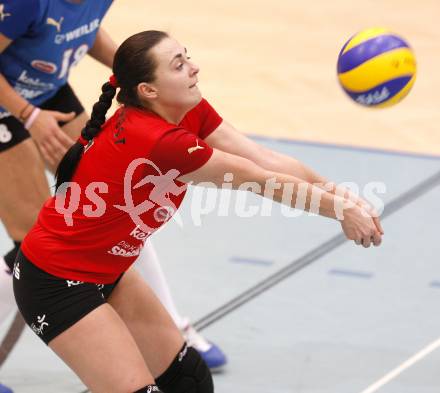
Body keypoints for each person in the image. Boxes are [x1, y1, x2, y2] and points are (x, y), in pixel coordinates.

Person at [12, 30, 383, 392]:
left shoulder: (186, 111)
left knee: (187, 381)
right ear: (148, 90)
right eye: (178, 65)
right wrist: (339, 210)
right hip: (55, 282)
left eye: (186, 56)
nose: (194, 68)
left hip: (108, 271)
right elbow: (259, 179)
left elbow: (263, 158)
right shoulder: (158, 140)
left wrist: (341, 197)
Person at [0, 2, 227, 384]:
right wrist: (28, 115)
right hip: (12, 103)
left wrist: (130, 68)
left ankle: (173, 324)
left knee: (122, 202)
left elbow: (81, 30)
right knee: (30, 243)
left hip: (45, 92)